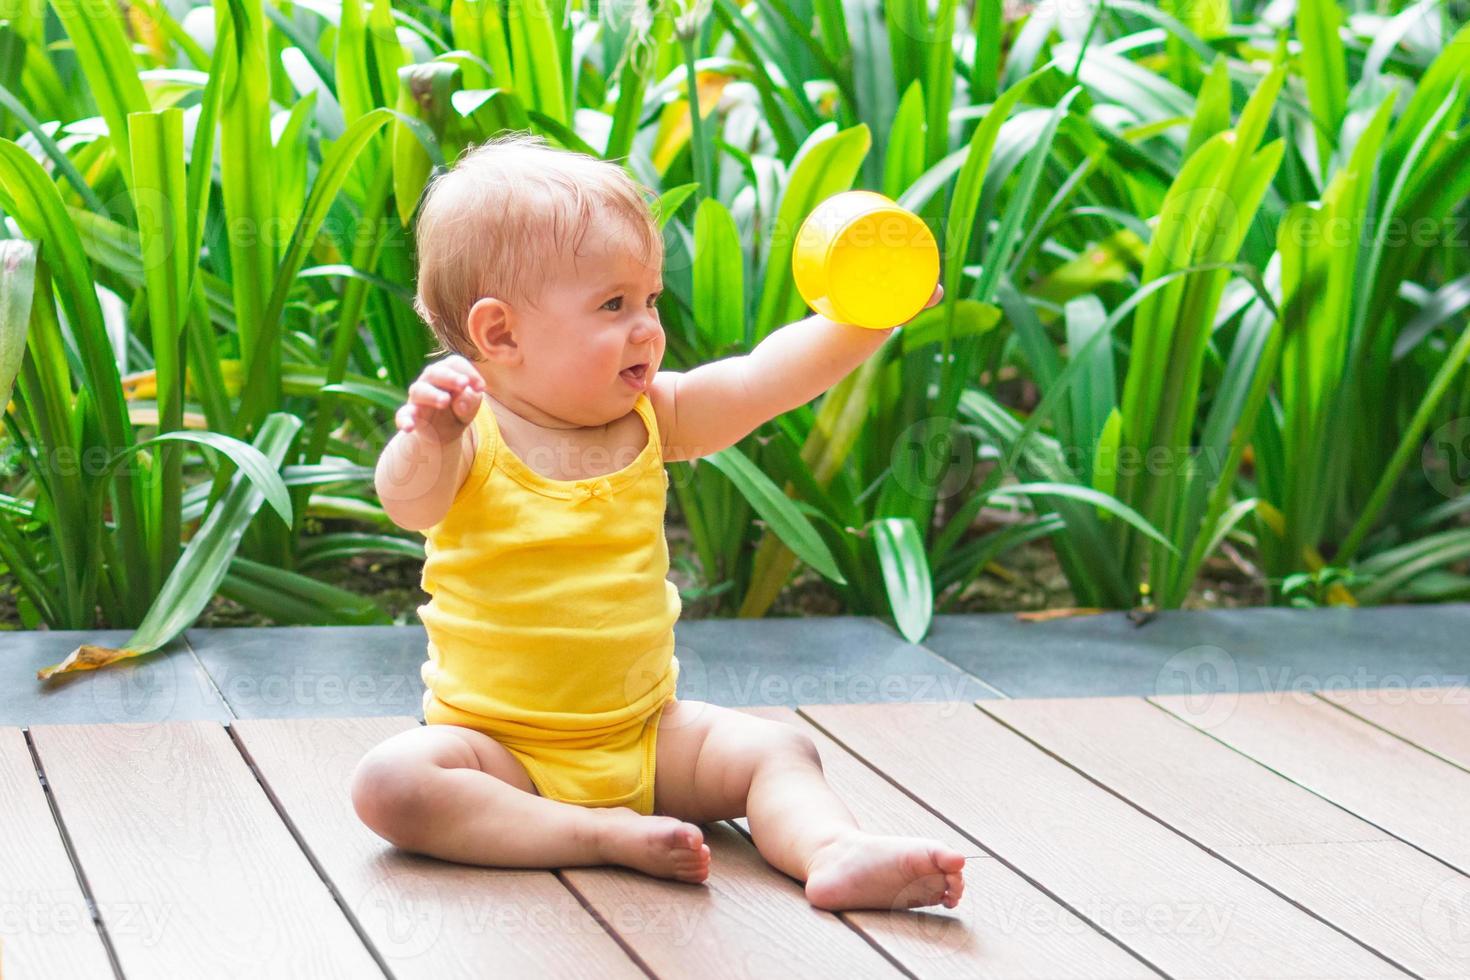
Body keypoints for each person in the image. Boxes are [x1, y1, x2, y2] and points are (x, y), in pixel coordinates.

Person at [351, 130, 963, 912]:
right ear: (500, 333)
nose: (646, 327)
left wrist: (871, 318)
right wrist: (425, 438)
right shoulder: (469, 434)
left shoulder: (652, 415)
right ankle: (591, 835)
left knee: (778, 749)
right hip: (499, 753)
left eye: (649, 300)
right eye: (613, 305)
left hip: (649, 737)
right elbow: (408, 501)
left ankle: (832, 850)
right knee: (393, 782)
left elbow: (760, 382)